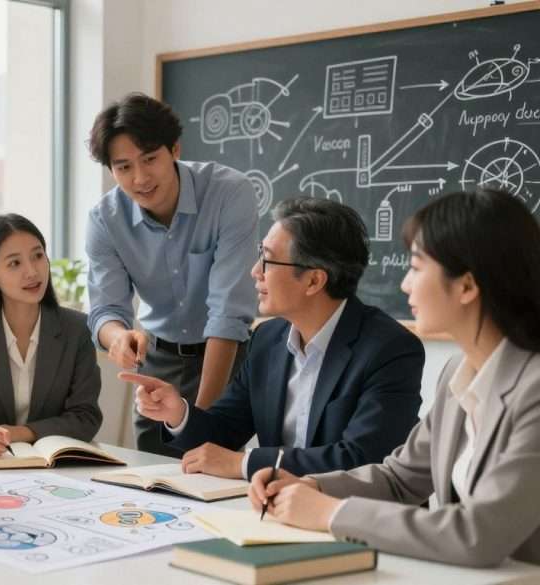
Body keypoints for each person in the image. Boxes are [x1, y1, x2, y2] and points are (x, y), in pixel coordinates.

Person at [249, 189, 540, 567]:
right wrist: (312, 486)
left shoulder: (533, 390)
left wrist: (329, 514)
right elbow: (400, 478)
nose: (404, 285)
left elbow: (477, 535)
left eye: (417, 268)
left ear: (467, 286)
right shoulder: (460, 373)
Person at [124, 198, 424, 479]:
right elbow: (226, 430)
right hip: (276, 511)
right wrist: (178, 413)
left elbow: (361, 460)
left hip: (352, 521)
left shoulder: (389, 349)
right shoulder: (268, 338)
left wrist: (243, 464)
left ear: (313, 280)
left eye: (267, 261)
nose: (255, 272)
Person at [85, 92, 259, 456]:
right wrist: (118, 337)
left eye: (150, 159)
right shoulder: (104, 220)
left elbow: (227, 315)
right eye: (124, 167)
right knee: (152, 478)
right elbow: (105, 311)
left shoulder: (229, 193)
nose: (140, 178)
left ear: (175, 150)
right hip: (157, 359)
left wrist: (199, 419)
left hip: (223, 353)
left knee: (211, 470)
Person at [0, 214, 102, 458]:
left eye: (38, 256)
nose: (32, 271)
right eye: (14, 263)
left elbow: (86, 417)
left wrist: (21, 433)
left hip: (60, 467)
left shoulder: (77, 329)